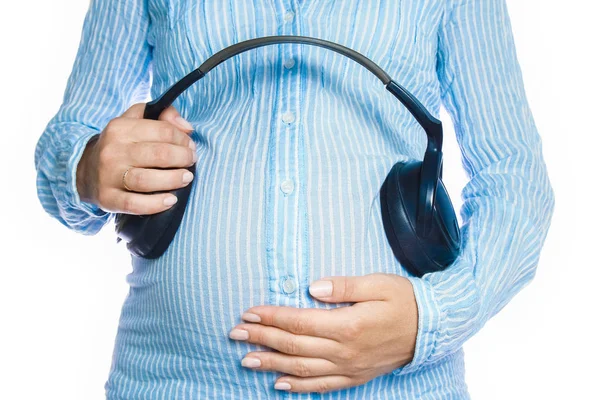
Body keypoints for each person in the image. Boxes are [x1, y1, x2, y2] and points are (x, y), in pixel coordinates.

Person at [34, 0, 555, 398]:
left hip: (401, 386)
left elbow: (515, 175)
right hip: (171, 379)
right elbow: (69, 141)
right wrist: (87, 166)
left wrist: (432, 319)